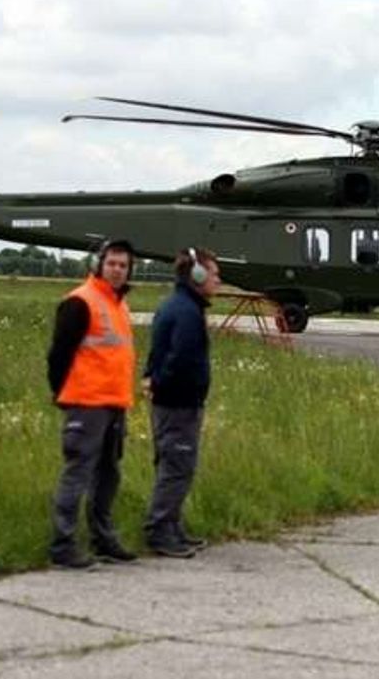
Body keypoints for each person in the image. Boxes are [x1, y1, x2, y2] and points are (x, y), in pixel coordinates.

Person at [46, 239, 138, 569]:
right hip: (86, 403)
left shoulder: (119, 305)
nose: (117, 270)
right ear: (99, 264)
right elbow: (58, 355)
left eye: (123, 265)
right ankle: (63, 544)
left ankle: (103, 538)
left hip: (114, 403)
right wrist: (62, 394)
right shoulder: (80, 302)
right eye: (112, 263)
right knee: (78, 474)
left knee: (108, 475)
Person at [142, 247, 221, 557]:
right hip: (178, 404)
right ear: (197, 275)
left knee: (175, 465)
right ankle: (159, 530)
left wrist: (152, 378)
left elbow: (157, 355)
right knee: (177, 467)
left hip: (174, 402)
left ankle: (172, 527)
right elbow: (178, 359)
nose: (218, 279)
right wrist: (160, 383)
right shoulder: (186, 311)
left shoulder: (179, 306)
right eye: (213, 273)